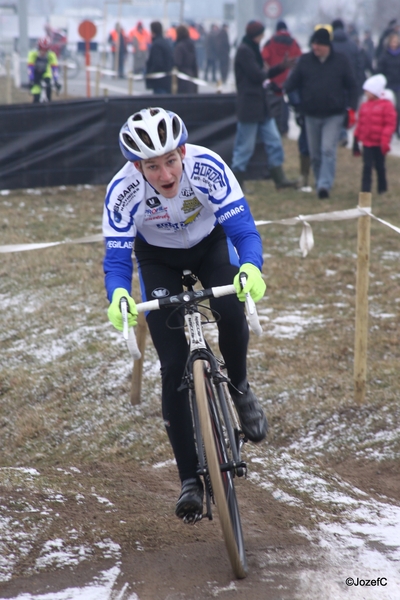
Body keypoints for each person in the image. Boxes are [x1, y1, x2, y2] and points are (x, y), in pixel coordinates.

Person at [102, 107, 268, 519]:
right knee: (174, 365)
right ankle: (190, 479)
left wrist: (250, 267)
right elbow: (118, 259)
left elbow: (243, 230)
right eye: (152, 166)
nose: (164, 174)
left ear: (182, 152)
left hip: (209, 244)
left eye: (170, 161)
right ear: (137, 166)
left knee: (230, 308)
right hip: (158, 259)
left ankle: (240, 388)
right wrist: (118, 295)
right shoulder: (122, 191)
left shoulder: (208, 167)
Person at [285, 27, 358, 199]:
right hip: (310, 115)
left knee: (327, 149)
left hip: (334, 114)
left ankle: (325, 185)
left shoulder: (341, 61)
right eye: (313, 44)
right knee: (315, 153)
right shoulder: (305, 61)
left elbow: (352, 86)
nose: (315, 48)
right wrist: (290, 98)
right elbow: (291, 83)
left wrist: (352, 108)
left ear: (327, 45)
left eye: (318, 44)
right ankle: (320, 182)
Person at [231, 20, 296, 190]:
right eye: (260, 34)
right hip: (250, 108)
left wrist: (280, 68)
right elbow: (257, 75)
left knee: (274, 142)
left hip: (260, 107)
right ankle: (237, 183)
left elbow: (261, 74)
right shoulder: (245, 51)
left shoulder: (250, 49)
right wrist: (278, 68)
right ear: (256, 35)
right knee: (244, 147)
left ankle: (280, 180)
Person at [353, 74, 397, 194]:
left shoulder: (386, 106)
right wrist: (356, 139)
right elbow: (360, 123)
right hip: (367, 143)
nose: (366, 94)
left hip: (379, 143)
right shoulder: (365, 106)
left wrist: (385, 139)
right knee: (366, 167)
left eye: (368, 91)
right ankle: (365, 190)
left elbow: (390, 124)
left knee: (380, 166)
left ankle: (382, 189)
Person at [261, 20, 302, 135]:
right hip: (289, 79)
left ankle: (277, 127)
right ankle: (285, 128)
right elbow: (299, 59)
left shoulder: (270, 42)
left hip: (274, 77)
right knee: (288, 104)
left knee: (274, 104)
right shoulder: (293, 42)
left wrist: (269, 72)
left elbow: (263, 58)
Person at [331, 18, 365, 146]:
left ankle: (341, 134)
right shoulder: (352, 45)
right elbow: (359, 65)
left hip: (334, 82)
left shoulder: (330, 44)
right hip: (350, 83)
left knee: (336, 108)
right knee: (346, 108)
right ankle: (343, 132)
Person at [377, 32, 400, 136]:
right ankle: (388, 128)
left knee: (398, 108)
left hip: (398, 85)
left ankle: (396, 128)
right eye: (392, 41)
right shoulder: (384, 55)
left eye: (396, 42)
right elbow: (379, 70)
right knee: (388, 109)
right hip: (388, 86)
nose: (394, 44)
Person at [27, 38, 61, 103]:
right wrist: (31, 80)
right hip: (35, 74)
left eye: (46, 50)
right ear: (39, 48)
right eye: (42, 49)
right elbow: (30, 68)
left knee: (48, 88)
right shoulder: (32, 54)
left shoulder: (51, 55)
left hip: (45, 73)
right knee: (36, 97)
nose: (43, 52)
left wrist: (56, 81)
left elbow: (55, 69)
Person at [145, 21, 174, 94]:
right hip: (167, 79)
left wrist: (150, 74)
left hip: (159, 81)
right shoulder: (165, 42)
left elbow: (157, 63)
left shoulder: (156, 45)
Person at [173, 25, 198, 93]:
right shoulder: (191, 46)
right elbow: (194, 64)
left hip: (182, 78)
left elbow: (177, 62)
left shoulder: (179, 47)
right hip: (191, 76)